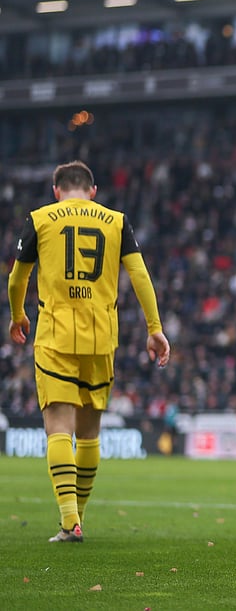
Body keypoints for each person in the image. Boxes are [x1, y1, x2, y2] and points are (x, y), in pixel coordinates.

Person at [7, 160, 171, 543]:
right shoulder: (116, 220)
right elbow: (140, 274)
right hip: (102, 337)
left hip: (55, 335)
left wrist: (17, 315)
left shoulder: (41, 218)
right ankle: (78, 516)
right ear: (93, 191)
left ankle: (69, 521)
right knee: (90, 433)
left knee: (58, 429)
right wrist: (154, 329)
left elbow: (18, 277)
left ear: (57, 191)